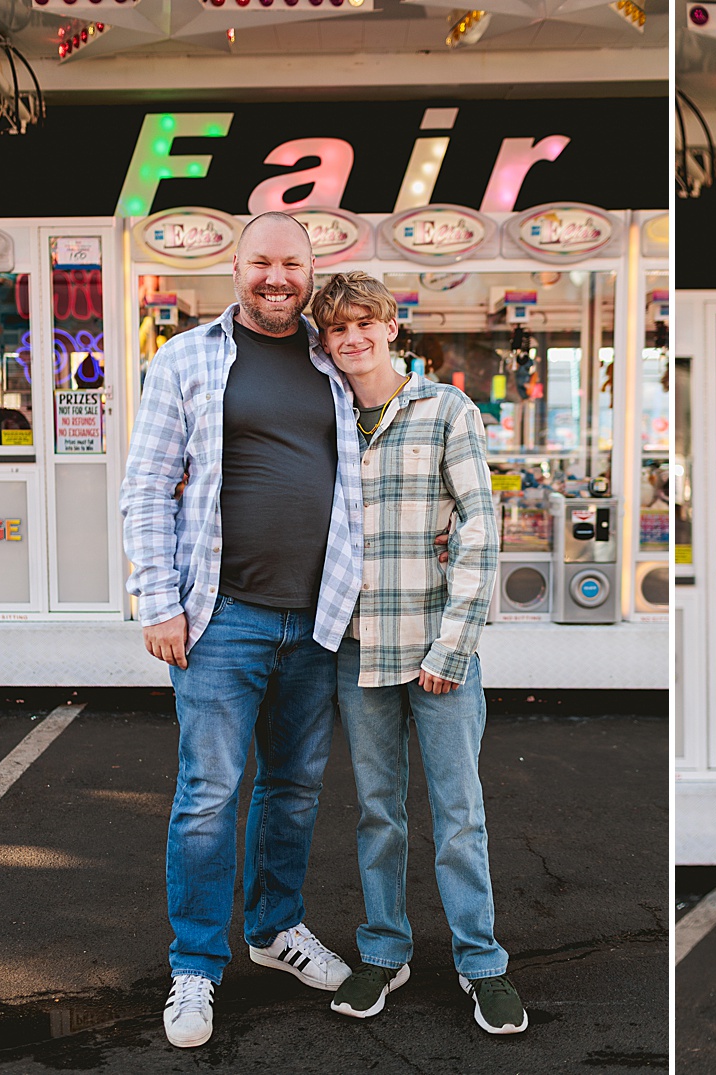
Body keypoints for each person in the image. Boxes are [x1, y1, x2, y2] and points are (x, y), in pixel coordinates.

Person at [120, 211, 362, 1049]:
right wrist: (158, 601)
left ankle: (275, 930)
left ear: (310, 269)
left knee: (294, 789)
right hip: (222, 616)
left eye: (291, 264)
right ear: (236, 266)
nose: (276, 277)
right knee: (208, 796)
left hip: (321, 618)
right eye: (261, 261)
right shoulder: (186, 358)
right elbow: (147, 485)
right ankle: (196, 962)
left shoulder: (338, 360)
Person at [309, 272, 527, 1034]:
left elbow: (479, 528)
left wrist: (455, 644)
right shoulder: (327, 416)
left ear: (391, 327)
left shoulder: (445, 409)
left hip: (437, 650)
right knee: (377, 811)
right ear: (327, 342)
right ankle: (385, 949)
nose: (352, 339)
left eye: (364, 324)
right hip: (355, 648)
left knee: (459, 812)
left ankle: (481, 962)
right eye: (337, 330)